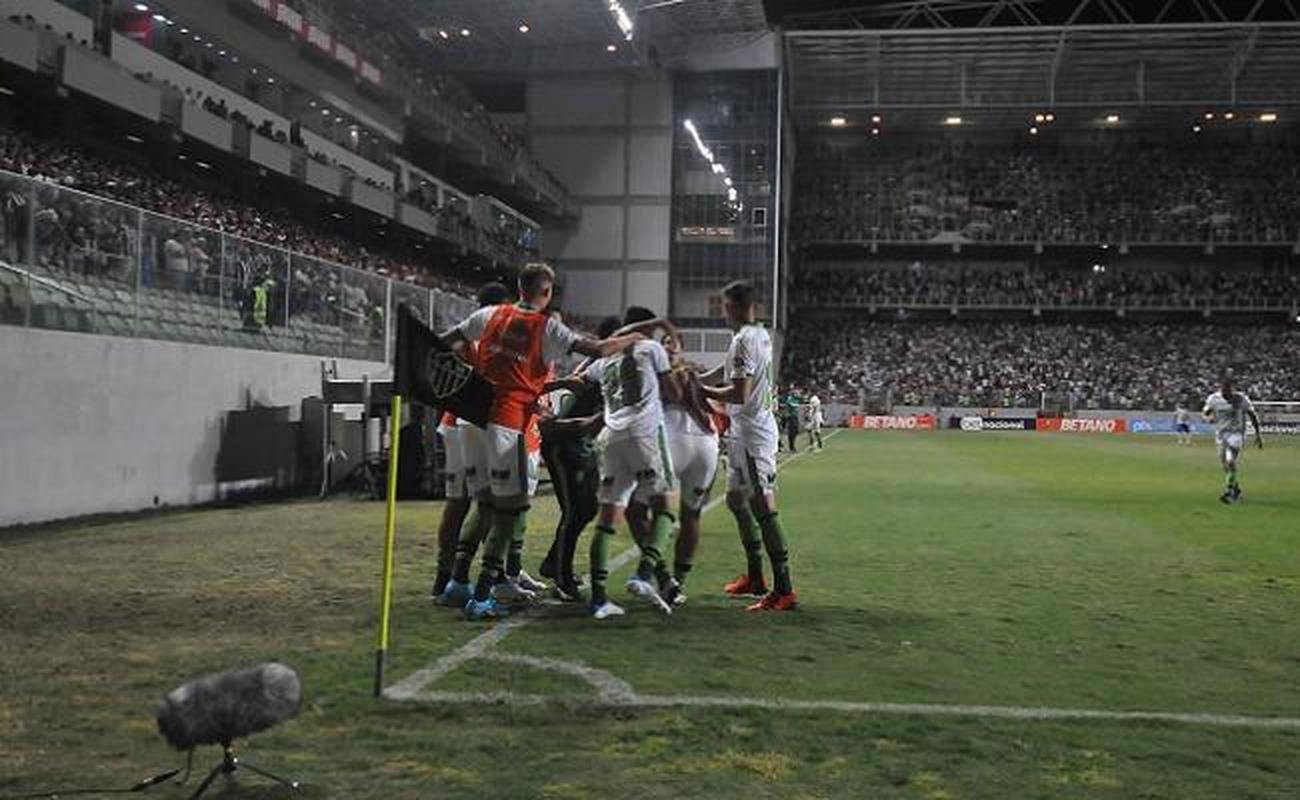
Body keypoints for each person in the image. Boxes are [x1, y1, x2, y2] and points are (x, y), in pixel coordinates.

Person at [441, 263, 645, 621]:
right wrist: (634, 338)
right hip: (506, 424)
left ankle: (457, 582)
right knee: (511, 510)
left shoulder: (489, 314)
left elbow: (447, 342)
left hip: (472, 421)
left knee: (485, 503)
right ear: (547, 293)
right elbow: (596, 349)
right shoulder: (546, 326)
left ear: (520, 287)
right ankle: (485, 594)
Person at [572, 310, 682, 620]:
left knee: (607, 521)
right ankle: (644, 575)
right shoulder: (650, 348)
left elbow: (581, 377)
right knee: (665, 507)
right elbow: (673, 393)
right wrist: (671, 363)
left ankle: (598, 599)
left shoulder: (603, 359)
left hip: (611, 438)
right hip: (645, 434)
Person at [699, 281, 798, 612]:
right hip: (743, 431)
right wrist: (701, 381)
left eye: (725, 307)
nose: (722, 313)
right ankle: (756, 577)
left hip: (754, 433)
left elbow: (739, 393)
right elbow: (728, 371)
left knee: (763, 509)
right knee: (735, 501)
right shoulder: (758, 334)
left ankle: (784, 589)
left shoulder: (744, 340)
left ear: (738, 307)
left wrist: (703, 394)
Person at [432, 281, 511, 602]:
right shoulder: (489, 335)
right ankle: (469, 576)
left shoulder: (465, 334)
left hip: (453, 424)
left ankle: (444, 576)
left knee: (459, 502)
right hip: (477, 424)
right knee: (493, 502)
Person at [536, 317, 619, 602]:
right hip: (563, 444)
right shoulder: (605, 367)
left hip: (578, 443)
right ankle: (560, 575)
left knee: (585, 509)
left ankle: (553, 563)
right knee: (576, 511)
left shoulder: (611, 367)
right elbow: (585, 409)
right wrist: (570, 425)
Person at [1201, 377, 1263, 504]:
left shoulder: (1241, 399)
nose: (1226, 394)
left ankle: (1229, 491)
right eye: (1224, 391)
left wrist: (1258, 434)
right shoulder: (1214, 399)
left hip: (1236, 434)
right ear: (1221, 389)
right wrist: (1209, 417)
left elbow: (1252, 415)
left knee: (1230, 461)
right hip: (1220, 435)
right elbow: (1205, 412)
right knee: (1225, 466)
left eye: (1229, 391)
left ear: (1233, 390)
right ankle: (1235, 487)